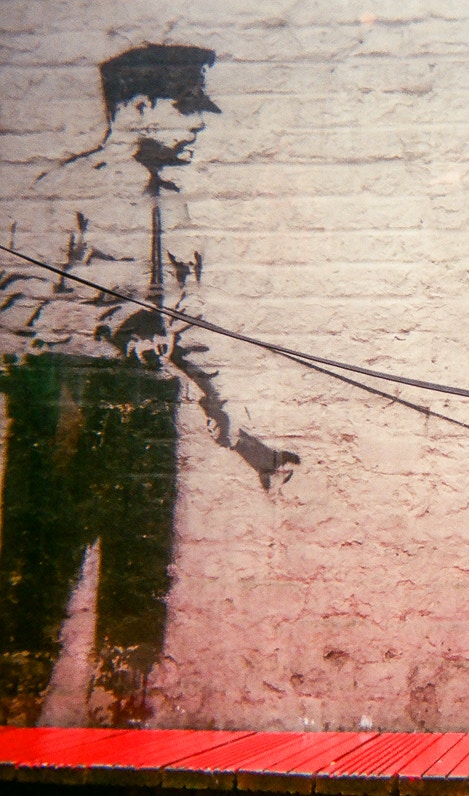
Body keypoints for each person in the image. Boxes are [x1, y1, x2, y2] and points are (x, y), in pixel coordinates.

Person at [0, 43, 296, 726]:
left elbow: (192, 341)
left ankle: (120, 744)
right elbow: (14, 312)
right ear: (136, 110)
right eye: (188, 106)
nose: (201, 124)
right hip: (61, 417)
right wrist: (111, 328)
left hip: (144, 427)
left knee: (136, 605)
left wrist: (246, 440)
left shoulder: (179, 212)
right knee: (32, 602)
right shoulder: (58, 195)